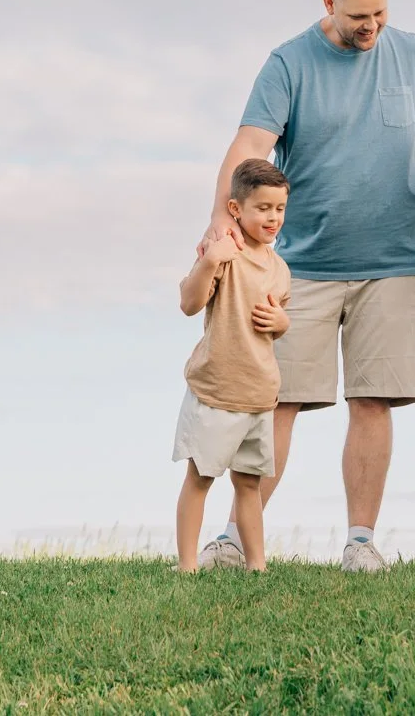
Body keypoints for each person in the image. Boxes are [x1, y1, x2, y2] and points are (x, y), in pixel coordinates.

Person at [197, 0, 415, 573]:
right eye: (357, 16)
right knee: (278, 400)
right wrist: (222, 217)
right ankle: (238, 539)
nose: (370, 25)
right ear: (329, 4)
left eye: (379, 12)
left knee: (374, 401)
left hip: (395, 261)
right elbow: (250, 144)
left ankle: (360, 543)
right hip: (307, 263)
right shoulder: (289, 63)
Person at [174, 158, 293, 572]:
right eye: (262, 208)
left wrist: (283, 323)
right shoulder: (224, 251)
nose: (273, 217)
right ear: (236, 209)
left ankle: (256, 565)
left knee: (249, 483)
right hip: (217, 390)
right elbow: (189, 304)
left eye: (279, 208)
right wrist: (209, 261)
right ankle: (187, 565)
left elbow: (274, 324)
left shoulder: (279, 269)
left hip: (259, 395)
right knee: (201, 478)